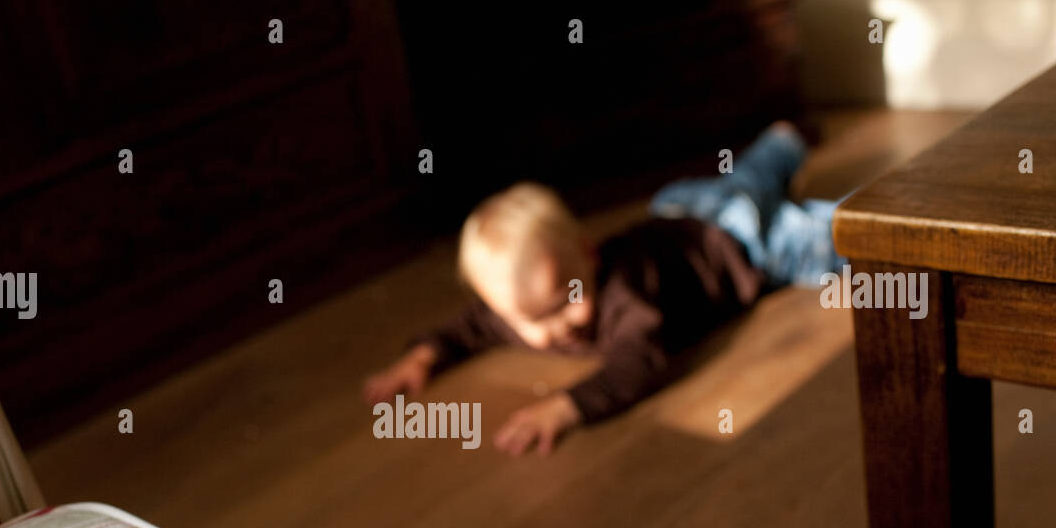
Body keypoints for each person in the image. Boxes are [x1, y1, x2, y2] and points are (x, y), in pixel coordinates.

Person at [362, 122, 844, 455]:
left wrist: (567, 405)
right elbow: (468, 326)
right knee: (745, 181)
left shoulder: (626, 300)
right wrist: (422, 356)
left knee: (840, 238)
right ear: (506, 312)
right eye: (535, 320)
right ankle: (781, 143)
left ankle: (866, 197)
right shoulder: (515, 310)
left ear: (590, 255)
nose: (561, 325)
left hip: (744, 248)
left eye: (569, 299)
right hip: (682, 209)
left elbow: (640, 360)